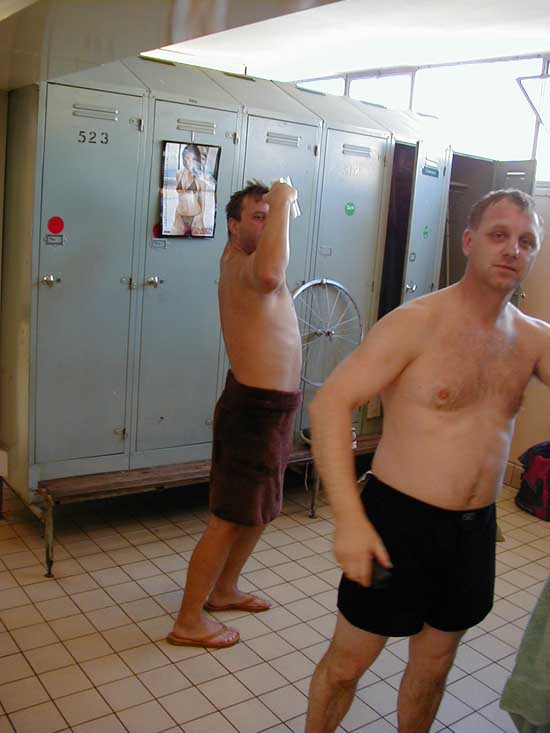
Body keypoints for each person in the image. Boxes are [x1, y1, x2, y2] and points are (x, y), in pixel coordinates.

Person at [305, 189, 550, 733]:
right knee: (347, 666)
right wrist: (348, 518)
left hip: (474, 532)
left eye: (527, 241)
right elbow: (330, 405)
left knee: (435, 666)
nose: (513, 249)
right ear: (468, 241)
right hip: (397, 523)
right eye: (499, 235)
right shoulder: (416, 323)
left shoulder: (534, 340)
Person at [167, 180, 302, 649]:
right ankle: (188, 621)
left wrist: (278, 209)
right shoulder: (244, 265)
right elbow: (271, 276)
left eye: (270, 217)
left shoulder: (250, 260)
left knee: (258, 512)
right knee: (228, 519)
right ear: (233, 224)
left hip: (273, 409)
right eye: (258, 217)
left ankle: (223, 590)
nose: (267, 226)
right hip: (254, 411)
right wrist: (283, 201)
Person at [171, 143, 211, 236]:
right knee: (171, 242)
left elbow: (202, 200)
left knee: (199, 245)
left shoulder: (200, 177)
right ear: (184, 158)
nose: (189, 162)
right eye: (187, 158)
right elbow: (180, 196)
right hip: (179, 215)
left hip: (195, 216)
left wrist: (200, 217)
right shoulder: (178, 173)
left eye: (193, 159)